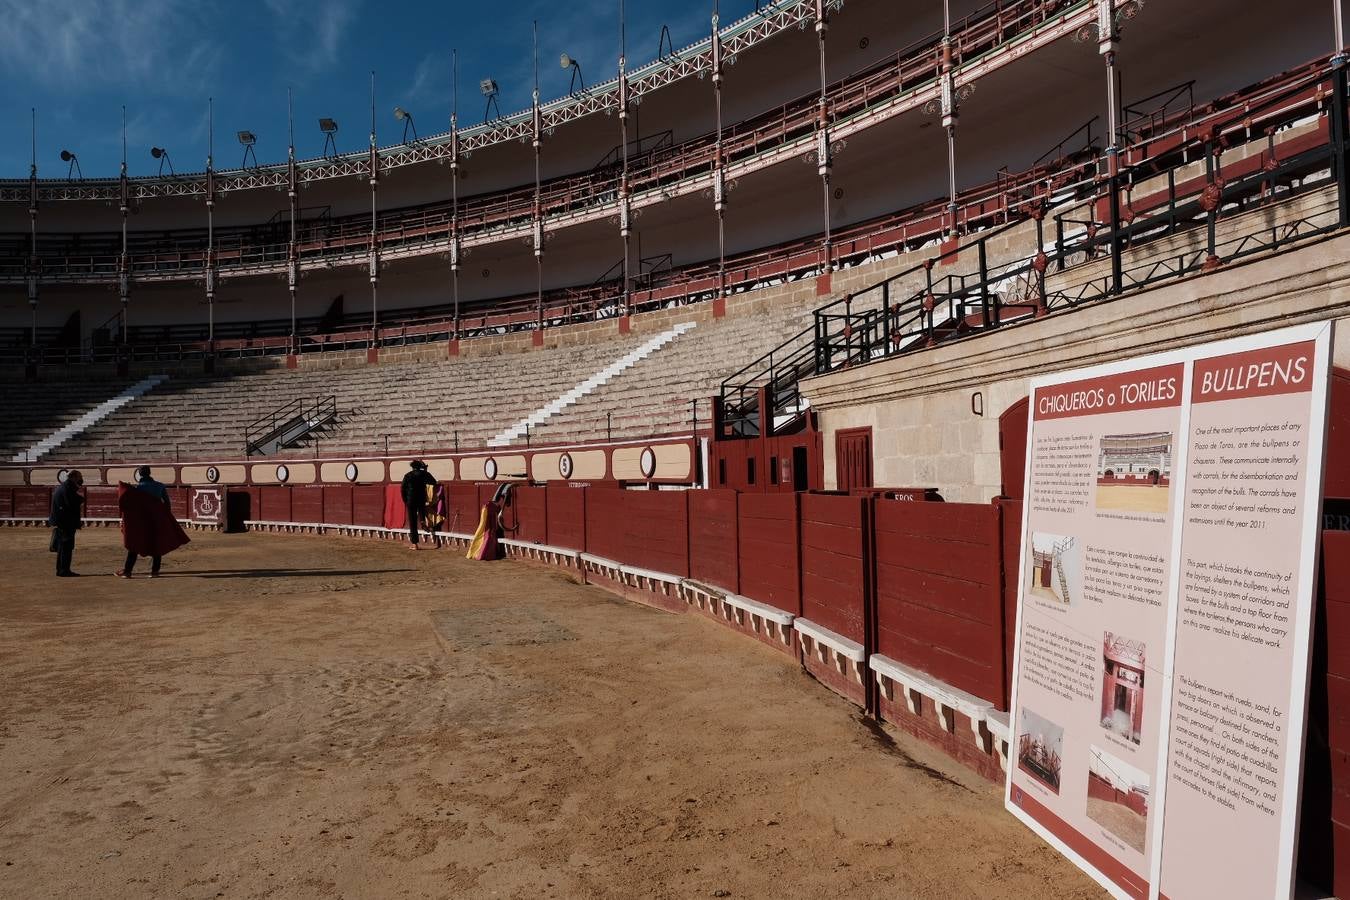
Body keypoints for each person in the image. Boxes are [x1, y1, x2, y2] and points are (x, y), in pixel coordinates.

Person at [117, 466, 189, 577]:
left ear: (140, 475)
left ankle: (127, 571)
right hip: (157, 520)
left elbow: (130, 507)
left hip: (141, 521)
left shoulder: (137, 489)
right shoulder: (159, 486)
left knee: (135, 544)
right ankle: (155, 572)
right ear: (150, 473)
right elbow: (167, 503)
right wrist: (165, 518)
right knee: (157, 543)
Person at [48, 470, 85, 577]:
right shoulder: (67, 488)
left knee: (62, 547)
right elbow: (71, 503)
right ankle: (64, 570)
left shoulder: (65, 487)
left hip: (63, 521)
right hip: (65, 522)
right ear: (73, 477)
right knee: (66, 546)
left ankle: (61, 569)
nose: (80, 479)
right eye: (79, 477)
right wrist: (80, 499)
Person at [400, 460, 437, 549]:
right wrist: (425, 471)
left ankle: (414, 544)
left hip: (411, 499)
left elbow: (402, 489)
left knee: (412, 521)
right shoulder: (424, 474)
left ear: (412, 467)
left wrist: (405, 500)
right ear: (420, 467)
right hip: (421, 498)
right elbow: (433, 482)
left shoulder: (408, 475)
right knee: (421, 510)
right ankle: (422, 521)